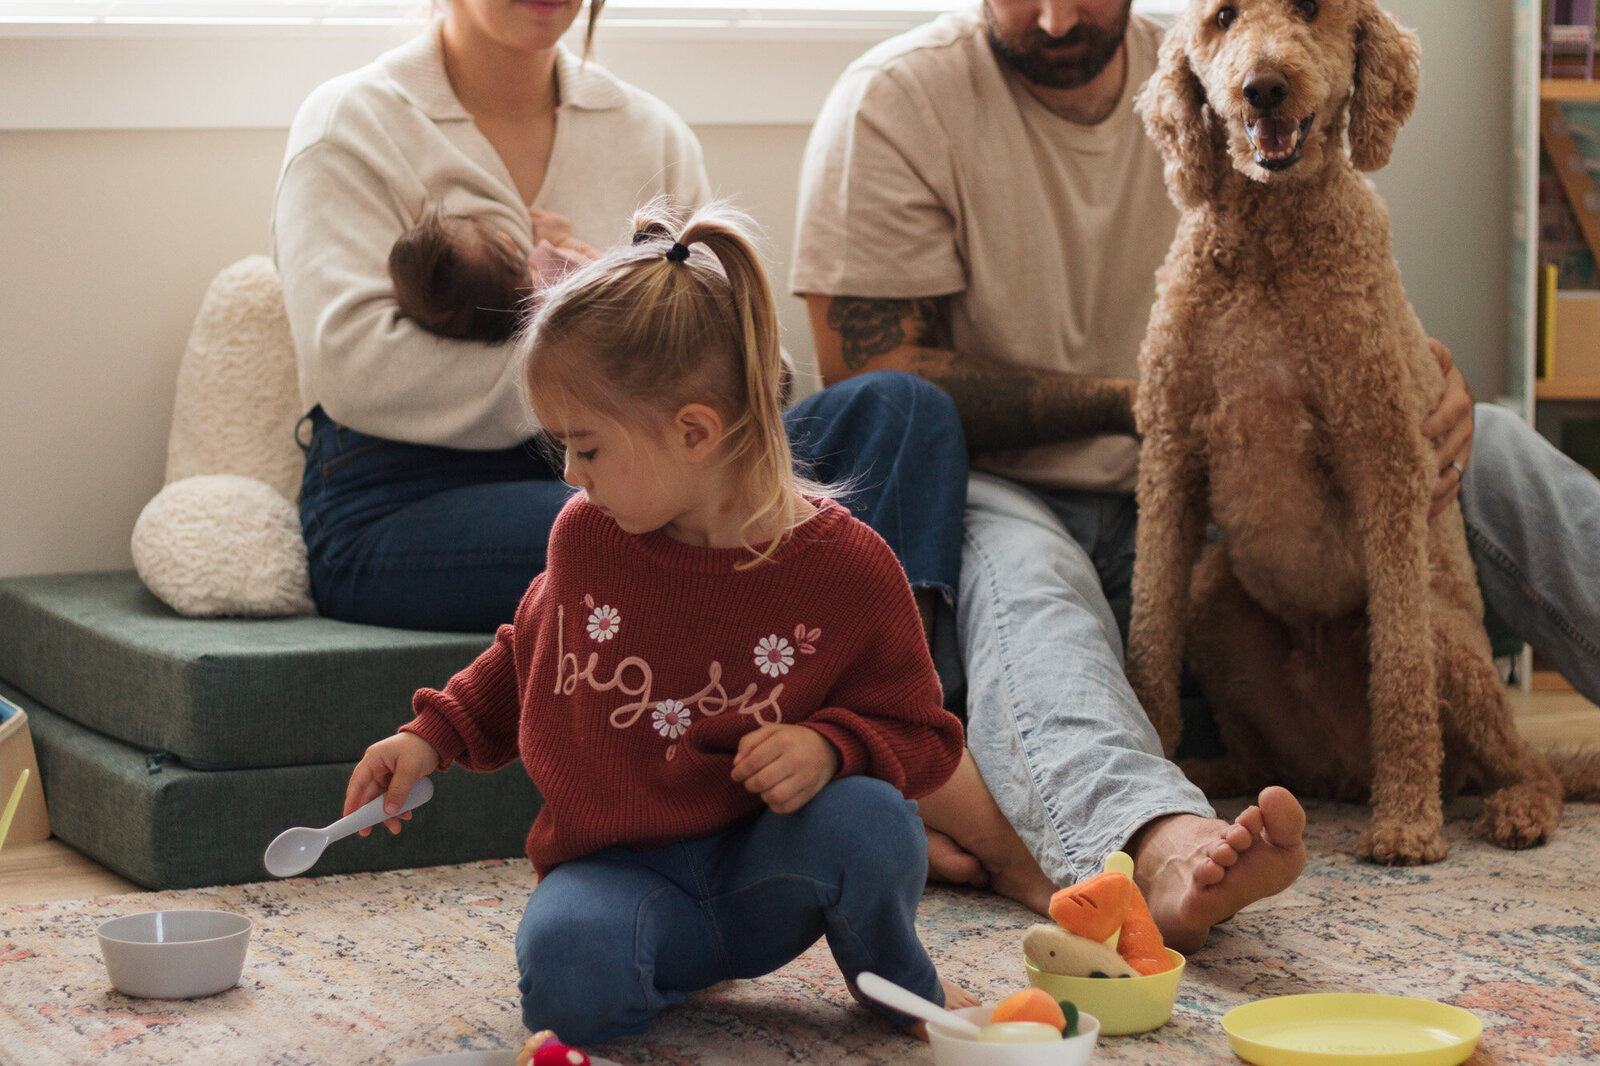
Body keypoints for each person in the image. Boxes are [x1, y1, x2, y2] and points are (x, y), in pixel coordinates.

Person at [793, 0, 1600, 951]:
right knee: (1032, 588)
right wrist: (1141, 401)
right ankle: (1154, 847)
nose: (1056, 16)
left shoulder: (1230, 49)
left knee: (1492, 440)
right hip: (1016, 486)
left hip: (1251, 502)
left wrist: (1430, 382)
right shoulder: (900, 99)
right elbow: (877, 382)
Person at [341, 201, 975, 1045]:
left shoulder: (847, 569)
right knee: (567, 984)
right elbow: (532, 648)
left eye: (588, 448)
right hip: (617, 874)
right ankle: (657, 959)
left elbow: (926, 736)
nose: (570, 475)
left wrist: (831, 747)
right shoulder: (589, 538)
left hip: (768, 871)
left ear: (694, 432)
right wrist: (433, 736)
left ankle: (894, 984)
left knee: (872, 821)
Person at [271, 0, 967, 646]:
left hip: (662, 459)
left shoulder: (648, 131)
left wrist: (668, 393)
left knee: (904, 410)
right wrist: (612, 375)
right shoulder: (351, 123)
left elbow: (746, 364)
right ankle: (841, 703)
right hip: (409, 500)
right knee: (628, 524)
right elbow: (356, 369)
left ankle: (897, 697)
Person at [387, 205, 597, 343]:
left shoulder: (529, 343)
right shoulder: (555, 266)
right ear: (507, 241)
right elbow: (608, 268)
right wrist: (562, 239)